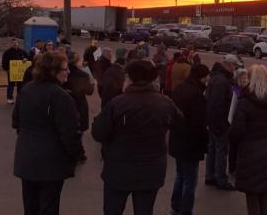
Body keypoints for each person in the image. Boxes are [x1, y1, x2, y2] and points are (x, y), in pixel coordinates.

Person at [92, 60, 182, 215]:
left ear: (129, 78)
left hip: (118, 170)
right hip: (151, 171)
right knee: (144, 210)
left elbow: (98, 133)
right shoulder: (165, 103)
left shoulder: (118, 103)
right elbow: (180, 124)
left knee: (112, 210)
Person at [12, 51, 81, 215]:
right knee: (48, 207)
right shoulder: (61, 96)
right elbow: (70, 133)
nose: (69, 72)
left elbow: (16, 121)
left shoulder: (27, 89)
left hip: (27, 159)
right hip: (51, 163)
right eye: (65, 69)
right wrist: (75, 155)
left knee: (31, 207)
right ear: (53, 71)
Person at [229, 65, 267, 215]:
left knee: (252, 196)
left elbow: (236, 131)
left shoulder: (245, 101)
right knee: (265, 195)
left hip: (250, 154)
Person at [169, 64, 210, 215]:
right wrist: (205, 143)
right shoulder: (197, 95)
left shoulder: (180, 88)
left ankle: (175, 206)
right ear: (202, 77)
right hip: (190, 144)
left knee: (180, 176)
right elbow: (199, 125)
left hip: (177, 139)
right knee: (189, 181)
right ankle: (185, 210)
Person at [205, 54, 240, 191]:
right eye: (234, 66)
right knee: (220, 150)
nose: (235, 68)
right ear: (228, 65)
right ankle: (220, 179)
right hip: (220, 122)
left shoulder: (218, 77)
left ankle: (210, 176)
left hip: (214, 121)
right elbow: (218, 104)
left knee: (213, 149)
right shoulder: (222, 80)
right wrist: (221, 124)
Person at [65, 51, 95, 164]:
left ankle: (70, 152)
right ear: (77, 60)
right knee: (78, 131)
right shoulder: (83, 74)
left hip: (65, 105)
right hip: (79, 104)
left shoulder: (62, 72)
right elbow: (90, 92)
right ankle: (77, 154)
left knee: (66, 129)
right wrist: (92, 84)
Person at [228, 68, 249, 174]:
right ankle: (232, 167)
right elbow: (232, 109)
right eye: (242, 78)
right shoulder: (235, 90)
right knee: (234, 147)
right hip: (235, 123)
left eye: (246, 77)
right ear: (237, 79)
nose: (245, 80)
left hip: (242, 123)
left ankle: (238, 166)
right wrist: (231, 123)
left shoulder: (246, 90)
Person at [2, 39, 30, 104]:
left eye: (16, 43)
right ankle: (9, 98)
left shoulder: (22, 51)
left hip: (20, 73)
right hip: (11, 72)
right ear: (10, 44)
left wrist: (26, 59)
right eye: (13, 43)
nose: (15, 44)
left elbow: (28, 58)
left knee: (20, 85)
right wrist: (7, 69)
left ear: (18, 44)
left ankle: (19, 98)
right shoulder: (7, 52)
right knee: (11, 85)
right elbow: (4, 62)